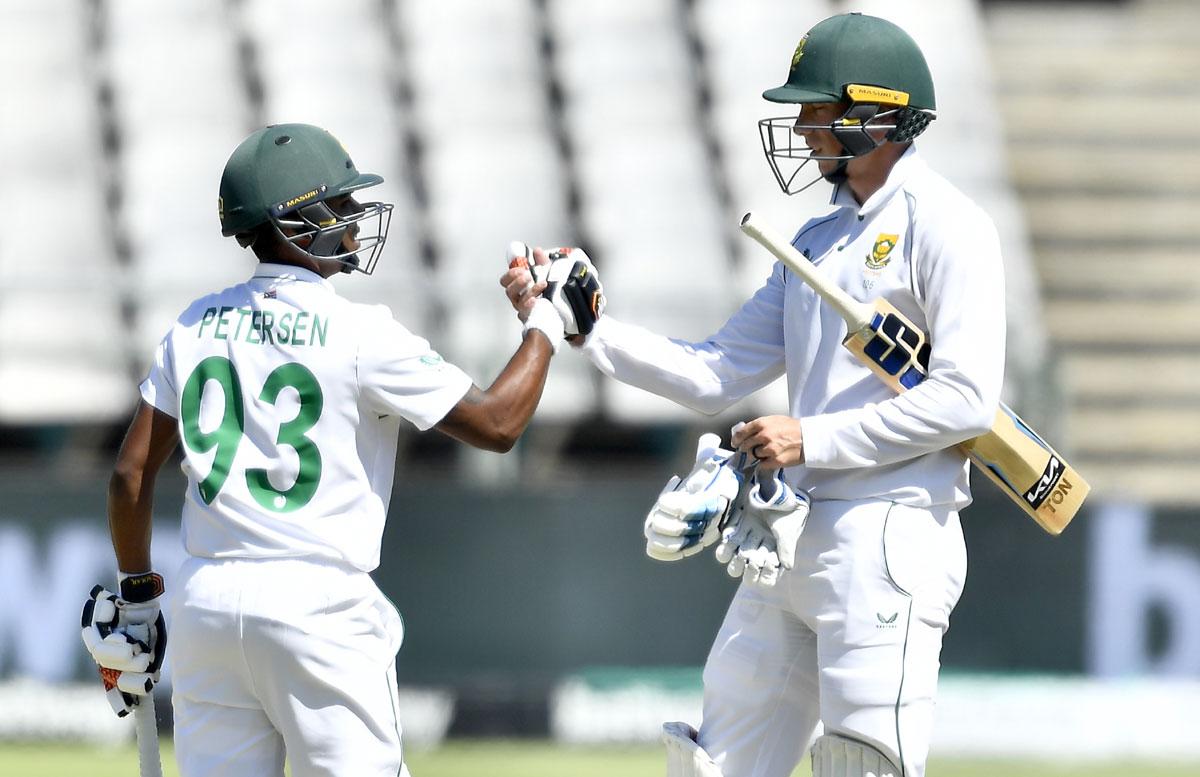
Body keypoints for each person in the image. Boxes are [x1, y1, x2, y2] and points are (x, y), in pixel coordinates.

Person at [502, 12, 1004, 777]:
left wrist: (814, 438)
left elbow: (967, 401)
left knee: (865, 767)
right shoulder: (815, 238)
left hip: (892, 533)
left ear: (875, 114)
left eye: (818, 109)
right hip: (793, 536)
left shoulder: (950, 227)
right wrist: (588, 329)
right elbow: (715, 372)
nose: (802, 127)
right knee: (716, 761)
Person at [79, 123, 599, 777]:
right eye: (340, 207)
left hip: (205, 599)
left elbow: (129, 475)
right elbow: (499, 424)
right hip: (317, 604)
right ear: (298, 219)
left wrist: (136, 597)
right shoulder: (361, 331)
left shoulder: (193, 322)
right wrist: (547, 321)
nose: (354, 221)